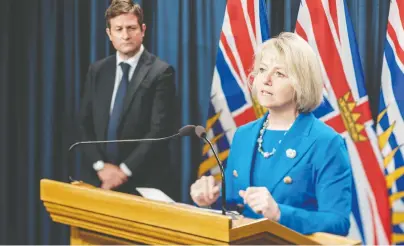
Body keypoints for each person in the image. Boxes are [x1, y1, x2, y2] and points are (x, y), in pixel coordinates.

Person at [190, 32, 352, 236]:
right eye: (262, 70)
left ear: (301, 83)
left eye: (279, 74)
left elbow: (338, 223)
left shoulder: (326, 142)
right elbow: (233, 207)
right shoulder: (244, 135)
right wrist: (210, 200)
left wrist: (279, 214)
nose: (266, 80)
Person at [79, 0, 176, 195]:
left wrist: (122, 172)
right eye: (119, 29)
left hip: (143, 182)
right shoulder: (98, 70)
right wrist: (100, 166)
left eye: (131, 28)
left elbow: (159, 132)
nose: (125, 35)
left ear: (143, 29)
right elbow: (84, 123)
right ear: (109, 34)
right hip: (99, 179)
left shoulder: (161, 72)